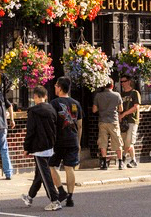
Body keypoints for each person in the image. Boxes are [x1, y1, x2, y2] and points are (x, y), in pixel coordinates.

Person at [21, 86, 61, 211]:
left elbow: (30, 131)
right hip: (50, 145)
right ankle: (30, 196)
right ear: (46, 96)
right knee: (40, 174)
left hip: (39, 147)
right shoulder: (52, 109)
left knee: (45, 176)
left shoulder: (33, 111)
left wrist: (26, 147)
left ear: (35, 97)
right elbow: (56, 128)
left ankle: (55, 200)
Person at [49, 76, 83, 208]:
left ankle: (61, 191)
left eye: (56, 85)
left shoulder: (54, 103)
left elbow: (51, 123)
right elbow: (79, 125)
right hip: (73, 140)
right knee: (70, 168)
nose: (54, 87)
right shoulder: (76, 104)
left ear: (60, 87)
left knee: (51, 166)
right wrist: (78, 142)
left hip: (59, 141)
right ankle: (70, 197)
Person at [93, 78, 123, 170]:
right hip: (113, 121)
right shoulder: (117, 95)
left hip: (103, 121)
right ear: (112, 85)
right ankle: (120, 163)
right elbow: (121, 109)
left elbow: (94, 110)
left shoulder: (98, 96)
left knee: (103, 142)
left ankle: (104, 163)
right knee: (117, 141)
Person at [118, 75, 140, 167]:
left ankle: (123, 158)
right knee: (125, 142)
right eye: (121, 82)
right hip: (123, 122)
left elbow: (136, 107)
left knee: (129, 141)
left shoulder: (135, 93)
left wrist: (124, 114)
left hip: (132, 120)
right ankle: (133, 160)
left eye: (124, 81)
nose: (122, 83)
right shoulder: (121, 94)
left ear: (129, 81)